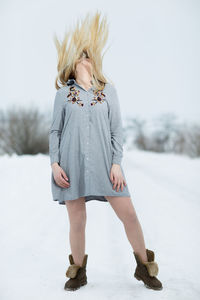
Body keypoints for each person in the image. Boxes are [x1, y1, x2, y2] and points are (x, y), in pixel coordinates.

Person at [49, 11, 163, 292]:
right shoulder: (63, 94)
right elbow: (55, 131)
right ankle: (78, 273)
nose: (86, 58)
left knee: (130, 214)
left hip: (105, 164)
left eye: (89, 54)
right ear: (71, 61)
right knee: (77, 221)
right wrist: (54, 164)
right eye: (80, 54)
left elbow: (117, 131)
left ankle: (143, 267)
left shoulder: (108, 91)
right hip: (71, 166)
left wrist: (116, 163)